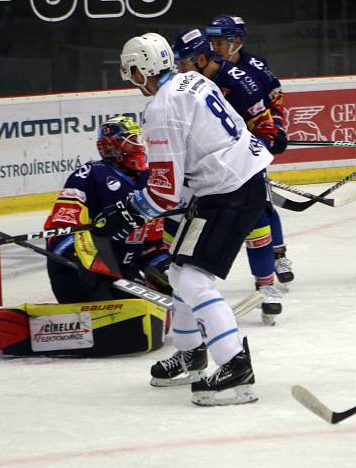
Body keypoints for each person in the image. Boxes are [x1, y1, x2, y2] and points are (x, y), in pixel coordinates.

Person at [99, 32, 273, 406]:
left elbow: (163, 191)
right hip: (223, 184)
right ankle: (191, 352)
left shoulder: (162, 108)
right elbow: (181, 171)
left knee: (192, 277)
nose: (131, 79)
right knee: (179, 269)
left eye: (131, 72)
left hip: (229, 191)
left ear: (142, 69)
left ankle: (235, 367)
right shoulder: (189, 79)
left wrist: (125, 213)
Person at [171, 27, 283, 325]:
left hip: (237, 169)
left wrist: (244, 157)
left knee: (256, 223)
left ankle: (266, 285)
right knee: (176, 226)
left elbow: (265, 126)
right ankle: (184, 293)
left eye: (183, 63)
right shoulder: (182, 89)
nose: (179, 71)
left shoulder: (239, 82)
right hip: (201, 172)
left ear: (203, 58)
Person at [204, 14, 294, 285]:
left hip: (251, 147)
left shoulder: (255, 68)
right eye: (212, 42)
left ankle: (278, 256)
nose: (215, 47)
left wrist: (275, 128)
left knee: (262, 205)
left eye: (221, 42)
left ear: (237, 42)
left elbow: (275, 100)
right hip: (219, 153)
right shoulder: (205, 70)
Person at [43, 115, 170, 303]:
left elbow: (150, 245)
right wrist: (87, 260)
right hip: (78, 271)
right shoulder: (89, 175)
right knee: (114, 320)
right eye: (131, 141)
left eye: (137, 139)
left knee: (149, 317)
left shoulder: (150, 180)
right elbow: (60, 230)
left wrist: (164, 269)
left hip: (122, 270)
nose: (139, 146)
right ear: (112, 146)